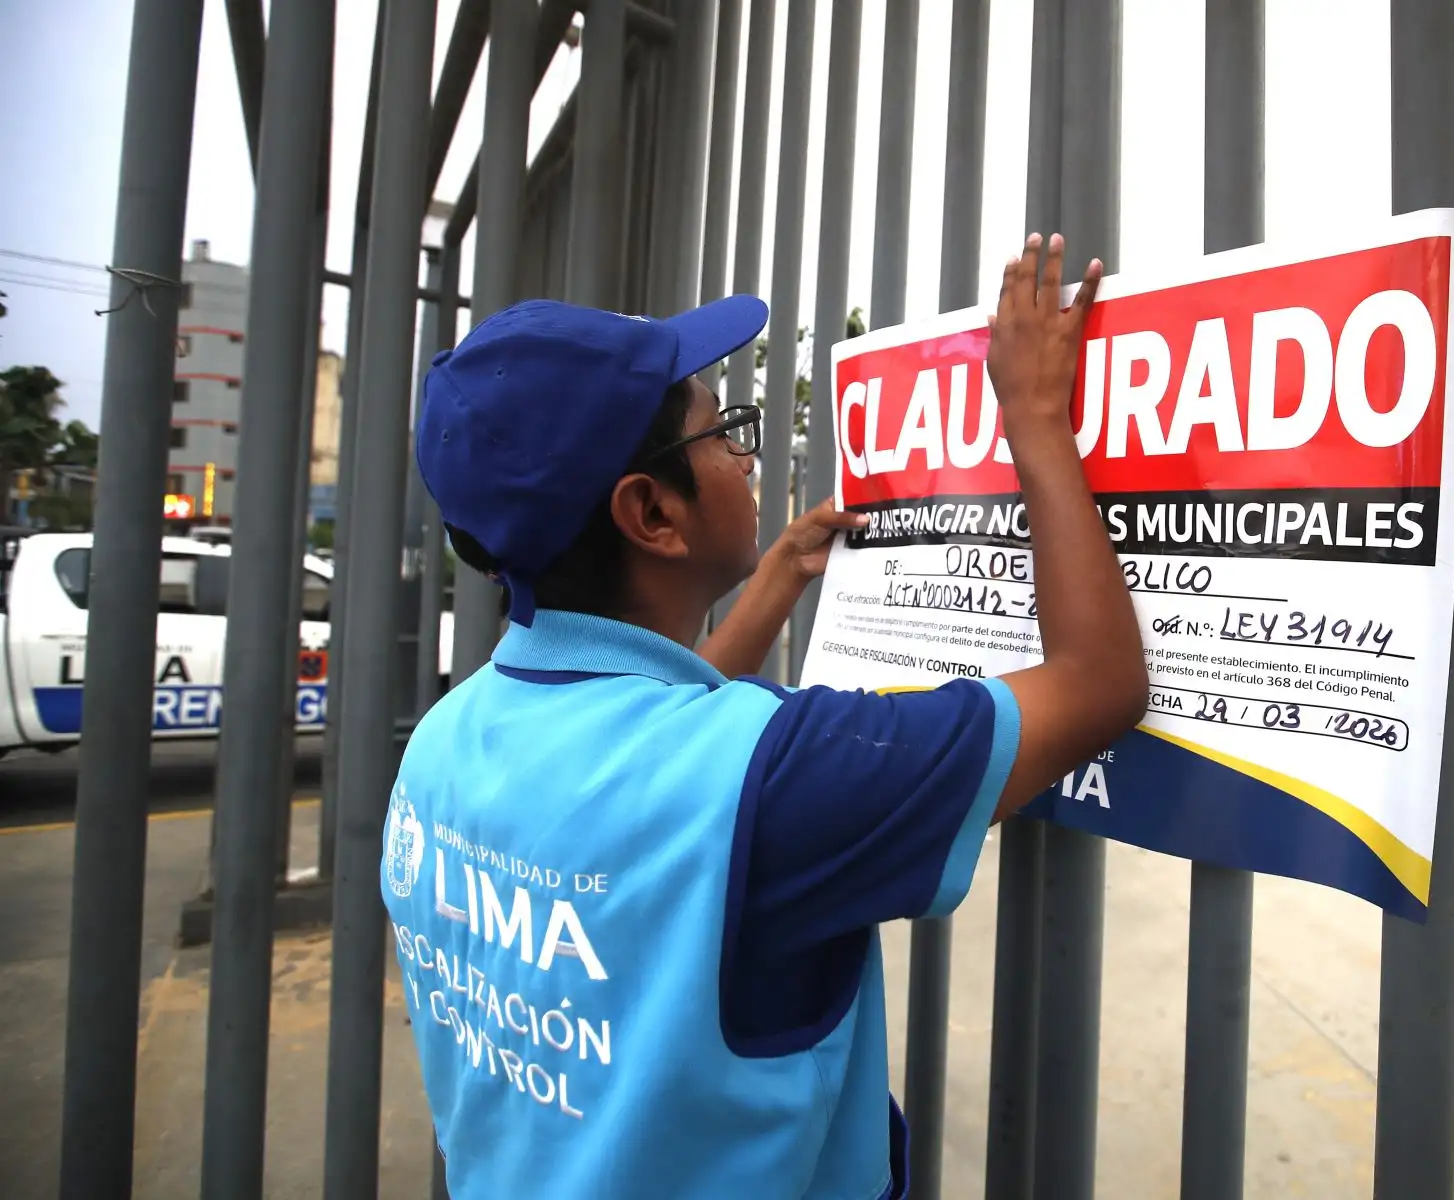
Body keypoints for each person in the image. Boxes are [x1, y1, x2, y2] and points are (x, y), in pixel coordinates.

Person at [383, 232, 1147, 1199]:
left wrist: (780, 571)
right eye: (724, 433)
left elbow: (652, 754)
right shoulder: (775, 777)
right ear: (651, 514)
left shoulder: (444, 743)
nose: (748, 458)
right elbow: (1098, 682)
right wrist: (1034, 414)